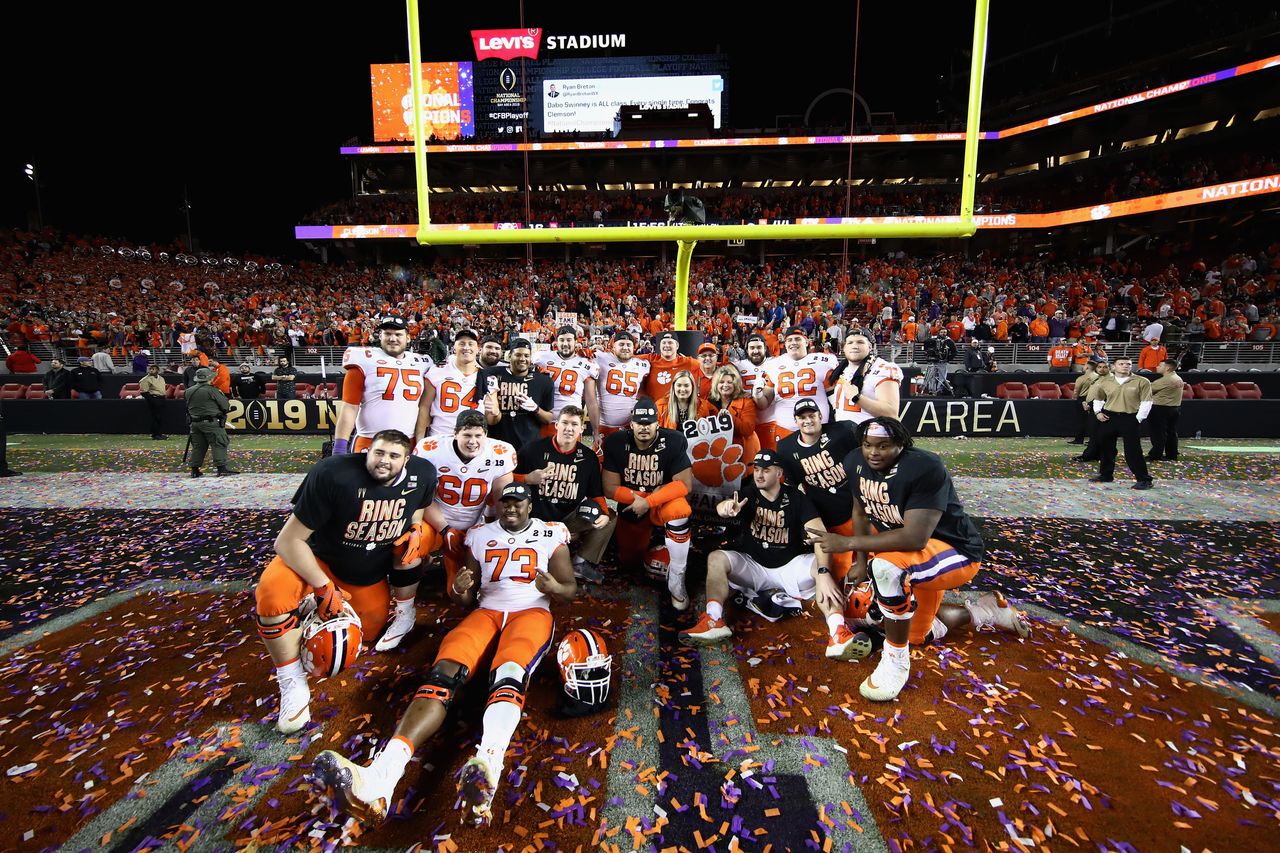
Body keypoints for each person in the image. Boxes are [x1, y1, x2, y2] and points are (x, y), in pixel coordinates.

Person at [312, 482, 576, 826]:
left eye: (519, 503)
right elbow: (463, 596)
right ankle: (382, 777)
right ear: (497, 505)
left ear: (530, 506)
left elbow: (569, 590)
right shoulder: (480, 535)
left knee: (509, 673)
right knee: (442, 676)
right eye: (506, 502)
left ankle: (488, 767)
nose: (511, 508)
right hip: (486, 611)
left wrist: (554, 587)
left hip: (531, 613)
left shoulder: (551, 534)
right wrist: (460, 589)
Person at [807, 417, 1026, 702]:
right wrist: (859, 560)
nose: (874, 452)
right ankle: (986, 612)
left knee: (885, 570)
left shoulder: (923, 467)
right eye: (868, 445)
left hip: (954, 551)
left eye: (883, 445)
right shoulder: (855, 461)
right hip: (905, 556)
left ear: (901, 444)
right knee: (915, 633)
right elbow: (860, 512)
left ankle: (895, 660)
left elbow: (915, 537)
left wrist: (848, 543)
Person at [254, 430, 448, 733]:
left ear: (407, 460)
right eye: (378, 453)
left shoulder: (422, 473)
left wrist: (414, 527)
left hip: (364, 572)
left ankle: (398, 611)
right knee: (272, 594)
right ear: (367, 451)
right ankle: (291, 681)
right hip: (319, 560)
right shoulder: (334, 474)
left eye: (394, 456)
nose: (384, 461)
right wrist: (322, 585)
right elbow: (287, 541)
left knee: (362, 636)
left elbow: (418, 506)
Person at [680, 448, 863, 657]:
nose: (759, 474)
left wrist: (823, 572)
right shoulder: (748, 493)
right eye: (757, 469)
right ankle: (713, 619)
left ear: (779, 473)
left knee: (819, 565)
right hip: (754, 567)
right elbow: (725, 506)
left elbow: (820, 534)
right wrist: (727, 507)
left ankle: (838, 632)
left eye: (765, 470)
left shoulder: (797, 498)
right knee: (716, 558)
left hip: (789, 567)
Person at [414, 409, 516, 633]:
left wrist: (491, 533)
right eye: (467, 435)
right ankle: (405, 603)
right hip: (435, 522)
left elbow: (502, 500)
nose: (473, 442)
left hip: (473, 528)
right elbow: (421, 498)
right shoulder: (431, 450)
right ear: (455, 433)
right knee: (408, 544)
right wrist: (445, 529)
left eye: (478, 436)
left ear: (486, 435)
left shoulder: (501, 452)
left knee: (460, 593)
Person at [602, 398, 694, 608]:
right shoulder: (616, 443)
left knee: (680, 509)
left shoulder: (673, 441)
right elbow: (609, 488)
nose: (644, 427)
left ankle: (677, 579)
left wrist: (651, 501)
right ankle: (662, 546)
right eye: (640, 423)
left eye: (649, 423)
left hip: (662, 503)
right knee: (629, 561)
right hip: (633, 505)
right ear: (631, 424)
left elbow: (685, 485)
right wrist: (644, 500)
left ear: (657, 423)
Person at [515, 405, 615, 583]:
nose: (569, 428)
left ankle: (579, 563)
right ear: (556, 425)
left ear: (582, 428)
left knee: (610, 517)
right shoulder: (533, 449)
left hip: (568, 519)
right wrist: (527, 478)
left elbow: (595, 493)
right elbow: (506, 479)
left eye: (574, 424)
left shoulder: (589, 458)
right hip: (534, 518)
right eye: (565, 423)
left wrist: (605, 514)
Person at [777, 398, 860, 583]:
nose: (808, 420)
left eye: (812, 415)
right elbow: (793, 486)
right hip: (831, 518)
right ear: (796, 421)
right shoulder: (786, 448)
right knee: (840, 573)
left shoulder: (844, 431)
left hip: (861, 510)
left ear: (820, 416)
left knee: (877, 560)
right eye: (802, 417)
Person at [335, 316, 430, 454]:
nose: (392, 338)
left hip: (408, 442)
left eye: (398, 334)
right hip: (369, 442)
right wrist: (339, 447)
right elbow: (349, 406)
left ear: (408, 338)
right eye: (387, 334)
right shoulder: (365, 359)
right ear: (380, 336)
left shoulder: (423, 362)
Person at [753, 326, 838, 444]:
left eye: (798, 339)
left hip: (817, 430)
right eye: (789, 340)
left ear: (806, 341)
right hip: (785, 430)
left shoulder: (823, 361)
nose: (793, 343)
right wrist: (757, 394)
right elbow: (764, 403)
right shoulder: (773, 364)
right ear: (785, 343)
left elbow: (835, 399)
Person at [1085, 357, 1153, 489]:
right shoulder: (1105, 381)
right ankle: (1106, 475)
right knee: (1106, 448)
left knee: (1133, 450)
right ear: (1113, 367)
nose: (1125, 366)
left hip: (1130, 417)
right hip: (1109, 417)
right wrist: (1098, 412)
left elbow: (1147, 402)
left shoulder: (1142, 381)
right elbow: (1098, 398)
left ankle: (1144, 479)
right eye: (1121, 364)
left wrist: (1138, 418)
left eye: (1128, 364)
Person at [480, 337, 554, 452]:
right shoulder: (491, 374)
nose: (522, 359)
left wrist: (536, 409)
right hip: (496, 445)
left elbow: (549, 419)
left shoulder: (543, 381)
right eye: (518, 355)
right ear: (509, 356)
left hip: (528, 448)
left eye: (526, 355)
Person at [533, 326, 601, 438]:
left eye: (569, 340)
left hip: (572, 424)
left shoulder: (586, 364)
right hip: (545, 421)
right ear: (556, 342)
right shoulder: (541, 358)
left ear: (575, 341)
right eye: (562, 340)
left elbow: (591, 401)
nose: (565, 344)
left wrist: (596, 431)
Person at [416, 328, 482, 442]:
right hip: (439, 437)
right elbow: (424, 407)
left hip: (471, 441)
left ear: (478, 349)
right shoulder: (437, 371)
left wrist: (494, 413)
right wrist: (420, 440)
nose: (466, 347)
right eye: (461, 343)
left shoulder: (487, 376)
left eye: (471, 344)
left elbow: (491, 418)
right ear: (454, 348)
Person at [593, 330, 651, 448]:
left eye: (628, 345)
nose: (625, 348)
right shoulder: (600, 358)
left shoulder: (643, 365)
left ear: (634, 347)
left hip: (629, 427)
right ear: (613, 346)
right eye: (621, 344)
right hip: (604, 425)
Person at [831, 329, 902, 424]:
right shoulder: (841, 369)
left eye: (860, 342)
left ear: (870, 347)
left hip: (870, 435)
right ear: (844, 347)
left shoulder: (882, 368)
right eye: (850, 343)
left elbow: (891, 413)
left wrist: (857, 398)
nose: (854, 346)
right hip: (845, 434)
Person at [184, 367, 238, 477]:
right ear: (210, 378)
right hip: (211, 422)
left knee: (198, 446)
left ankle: (194, 469)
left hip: (195, 422)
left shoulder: (188, 391)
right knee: (219, 443)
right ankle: (221, 468)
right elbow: (225, 406)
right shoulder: (213, 390)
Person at [705, 364, 759, 463]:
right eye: (721, 382)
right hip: (717, 455)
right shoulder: (708, 403)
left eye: (729, 382)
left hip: (741, 455)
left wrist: (730, 418)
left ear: (736, 384)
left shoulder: (747, 402)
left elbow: (748, 430)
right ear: (716, 385)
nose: (725, 385)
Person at [732, 333, 775, 451]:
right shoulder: (737, 366)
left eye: (759, 347)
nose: (755, 351)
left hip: (771, 419)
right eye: (752, 348)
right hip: (748, 422)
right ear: (746, 349)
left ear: (765, 348)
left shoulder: (776, 362)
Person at [641, 331, 700, 403]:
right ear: (659, 346)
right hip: (654, 410)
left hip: (676, 410)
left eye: (670, 343)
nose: (666, 345)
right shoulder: (650, 360)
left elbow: (708, 365)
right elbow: (628, 357)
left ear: (677, 346)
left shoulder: (688, 362)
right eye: (664, 343)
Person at [1146, 358, 1183, 462]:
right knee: (1171, 432)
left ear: (1167, 368)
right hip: (1174, 408)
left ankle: (1155, 455)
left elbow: (1147, 390)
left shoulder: (1165, 380)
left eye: (1160, 365)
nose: (1157, 367)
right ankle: (1171, 454)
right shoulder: (1177, 377)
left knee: (1158, 433)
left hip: (1160, 409)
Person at [139, 363, 168, 440]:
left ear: (157, 370)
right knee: (156, 417)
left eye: (153, 369)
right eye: (150, 369)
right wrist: (152, 400)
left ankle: (159, 433)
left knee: (160, 417)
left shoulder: (161, 378)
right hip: (154, 398)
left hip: (162, 398)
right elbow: (143, 392)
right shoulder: (145, 379)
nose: (151, 370)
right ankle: (155, 434)